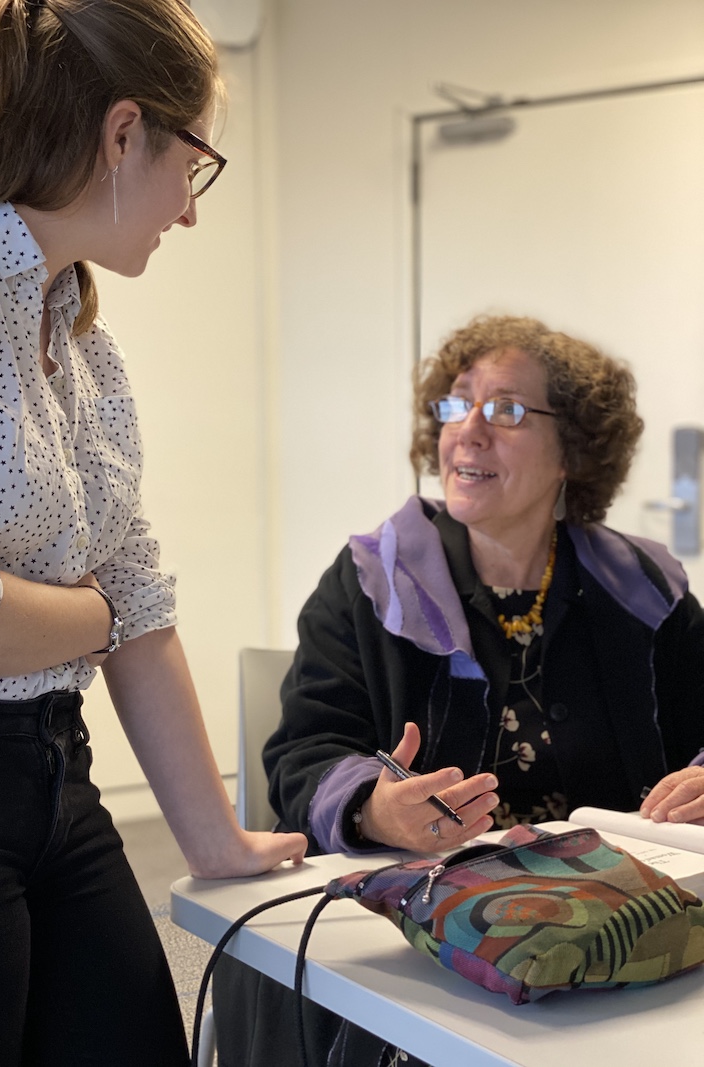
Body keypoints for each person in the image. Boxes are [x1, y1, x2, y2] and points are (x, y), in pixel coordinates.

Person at [0, 2, 307, 1065]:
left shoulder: (80, 336)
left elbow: (135, 592)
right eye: (197, 162)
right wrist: (100, 610)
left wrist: (215, 841)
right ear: (122, 133)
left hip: (52, 768)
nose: (187, 209)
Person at [213, 313, 704, 1067]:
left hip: (617, 928)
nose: (466, 431)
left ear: (573, 446)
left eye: (505, 409)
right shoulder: (369, 581)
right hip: (427, 942)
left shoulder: (644, 589)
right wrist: (375, 805)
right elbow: (304, 751)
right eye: (455, 404)